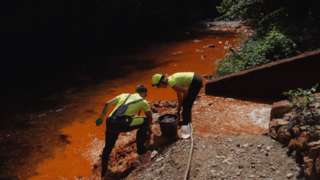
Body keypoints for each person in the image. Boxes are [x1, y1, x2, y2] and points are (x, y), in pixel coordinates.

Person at [95, 85, 153, 178]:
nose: (145, 96)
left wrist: (101, 118)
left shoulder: (124, 95)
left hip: (110, 121)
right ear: (144, 93)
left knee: (108, 148)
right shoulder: (143, 102)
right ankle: (141, 150)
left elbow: (107, 104)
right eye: (145, 94)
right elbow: (150, 117)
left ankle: (104, 173)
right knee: (145, 121)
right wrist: (149, 130)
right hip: (122, 123)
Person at [152, 72, 203, 139]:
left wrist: (184, 102)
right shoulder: (171, 81)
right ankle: (187, 122)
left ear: (161, 82)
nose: (160, 88)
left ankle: (187, 129)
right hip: (195, 78)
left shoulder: (171, 82)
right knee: (185, 105)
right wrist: (179, 108)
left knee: (187, 106)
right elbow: (179, 95)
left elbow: (185, 91)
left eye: (159, 86)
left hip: (196, 81)